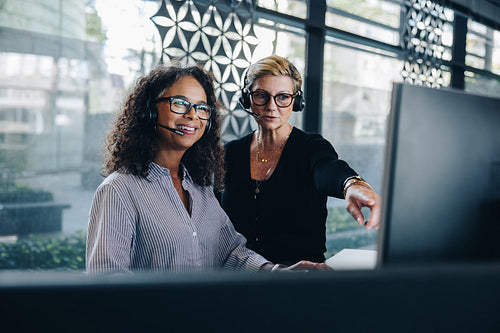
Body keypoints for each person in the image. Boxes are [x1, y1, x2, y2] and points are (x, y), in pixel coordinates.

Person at [86, 63, 330, 274]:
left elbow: (230, 253)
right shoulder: (119, 190)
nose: (193, 116)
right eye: (180, 104)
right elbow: (108, 282)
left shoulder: (198, 187)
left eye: (202, 108)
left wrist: (278, 272)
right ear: (149, 111)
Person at [221, 55, 381, 266]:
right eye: (261, 95)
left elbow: (328, 169)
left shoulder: (311, 147)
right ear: (247, 99)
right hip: (241, 277)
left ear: (296, 102)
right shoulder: (230, 153)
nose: (272, 106)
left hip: (302, 278)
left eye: (283, 97)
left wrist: (352, 184)